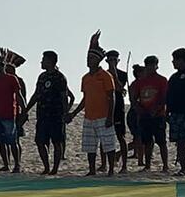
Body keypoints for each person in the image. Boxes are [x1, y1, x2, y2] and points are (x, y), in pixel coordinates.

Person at [28, 50, 72, 176]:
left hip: (56, 115)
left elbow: (64, 97)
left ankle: (55, 168)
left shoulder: (60, 77)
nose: (41, 62)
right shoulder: (42, 77)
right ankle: (46, 167)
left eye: (44, 59)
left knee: (57, 142)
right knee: (40, 142)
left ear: (50, 61)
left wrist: (66, 113)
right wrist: (26, 110)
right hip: (42, 115)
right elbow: (36, 94)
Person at [0, 51, 27, 172]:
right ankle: (6, 164)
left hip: (9, 115)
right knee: (0, 141)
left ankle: (17, 165)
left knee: (12, 140)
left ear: (4, 65)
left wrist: (24, 110)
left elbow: (19, 96)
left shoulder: (12, 79)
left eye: (0, 64)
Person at [78, 47, 118, 177]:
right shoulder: (85, 78)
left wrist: (110, 116)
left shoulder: (106, 76)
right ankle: (92, 169)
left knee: (108, 144)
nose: (89, 61)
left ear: (98, 60)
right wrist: (74, 113)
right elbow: (85, 98)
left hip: (103, 115)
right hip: (89, 116)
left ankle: (111, 169)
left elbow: (111, 96)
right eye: (88, 58)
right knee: (90, 145)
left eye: (92, 58)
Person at [129, 57, 166, 171]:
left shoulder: (162, 80)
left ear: (156, 66)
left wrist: (157, 108)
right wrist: (138, 108)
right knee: (147, 141)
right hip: (144, 115)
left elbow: (164, 97)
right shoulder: (141, 82)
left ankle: (165, 165)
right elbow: (134, 98)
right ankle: (148, 164)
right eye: (148, 65)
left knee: (161, 141)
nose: (150, 67)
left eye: (152, 65)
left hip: (158, 115)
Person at [104, 49, 130, 168]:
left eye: (115, 60)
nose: (112, 62)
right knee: (104, 137)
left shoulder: (123, 74)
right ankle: (104, 164)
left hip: (118, 107)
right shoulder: (103, 75)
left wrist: (114, 72)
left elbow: (119, 88)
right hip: (105, 107)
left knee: (120, 136)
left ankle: (124, 165)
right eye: (110, 60)